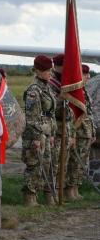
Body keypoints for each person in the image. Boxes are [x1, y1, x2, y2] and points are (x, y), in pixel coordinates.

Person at [21, 56, 56, 207]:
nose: (50, 73)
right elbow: (32, 116)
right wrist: (36, 138)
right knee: (34, 165)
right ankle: (29, 198)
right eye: (48, 71)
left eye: (51, 70)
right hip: (35, 134)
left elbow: (50, 113)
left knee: (46, 165)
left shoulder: (46, 87)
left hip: (45, 132)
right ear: (39, 71)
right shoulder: (34, 91)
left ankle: (41, 196)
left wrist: (51, 134)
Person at [65, 64, 96, 200]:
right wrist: (73, 135)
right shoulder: (76, 92)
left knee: (82, 164)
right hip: (79, 133)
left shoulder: (85, 91)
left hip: (86, 133)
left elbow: (89, 115)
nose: (88, 77)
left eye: (88, 74)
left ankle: (76, 188)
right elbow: (72, 117)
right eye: (85, 74)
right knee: (74, 163)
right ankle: (70, 190)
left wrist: (92, 133)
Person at [49, 53, 76, 202]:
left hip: (66, 128)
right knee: (54, 163)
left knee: (63, 163)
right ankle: (52, 194)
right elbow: (51, 109)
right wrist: (61, 99)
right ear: (58, 66)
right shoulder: (51, 83)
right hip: (55, 129)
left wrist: (71, 133)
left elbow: (71, 113)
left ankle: (61, 192)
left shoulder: (66, 82)